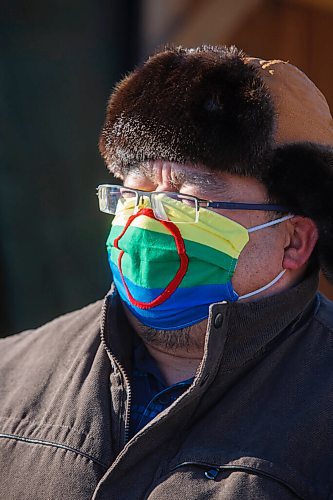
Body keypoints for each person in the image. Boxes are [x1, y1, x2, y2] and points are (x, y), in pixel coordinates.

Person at [0, 45, 333, 500]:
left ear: (294, 240)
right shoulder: (10, 373)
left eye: (188, 198)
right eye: (134, 191)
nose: (147, 221)